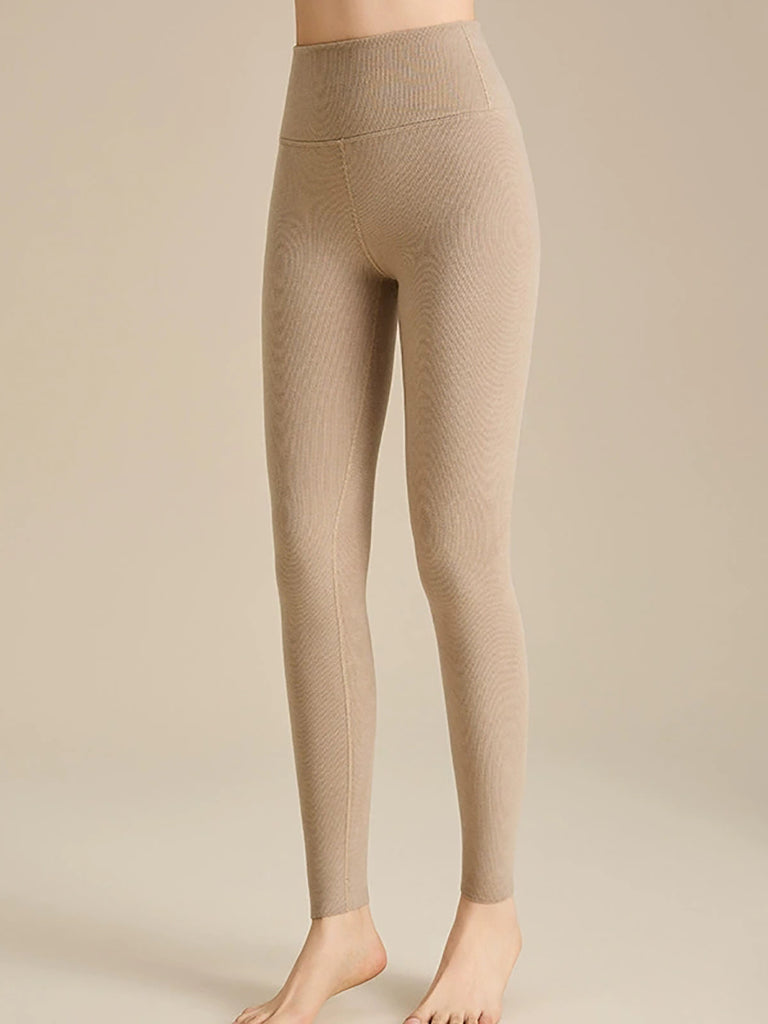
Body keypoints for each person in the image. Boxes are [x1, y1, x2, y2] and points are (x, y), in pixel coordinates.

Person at [235, 1, 540, 1022]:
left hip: (454, 153)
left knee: (458, 551)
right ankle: (340, 922)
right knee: (310, 558)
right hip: (314, 152)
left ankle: (490, 911)